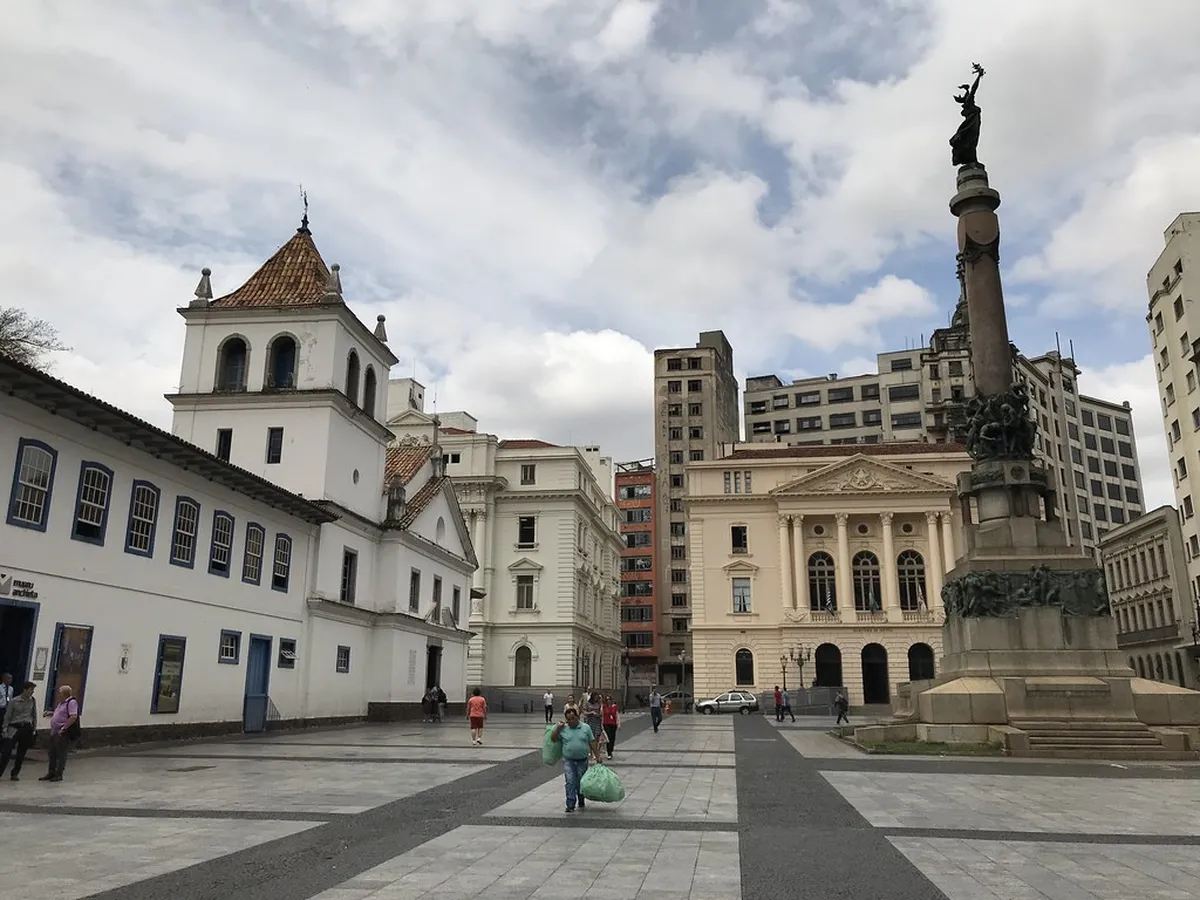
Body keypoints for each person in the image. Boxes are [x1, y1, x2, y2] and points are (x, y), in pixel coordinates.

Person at [551, 706, 601, 813]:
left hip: (582, 760)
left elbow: (592, 742)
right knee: (570, 781)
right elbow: (553, 739)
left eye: (573, 718)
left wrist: (597, 756)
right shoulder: (564, 728)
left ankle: (581, 798)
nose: (571, 721)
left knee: (580, 782)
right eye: (568, 719)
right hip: (569, 760)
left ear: (577, 717)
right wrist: (557, 729)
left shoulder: (586, 728)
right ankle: (570, 804)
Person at [40, 685, 79, 782]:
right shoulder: (61, 703)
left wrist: (64, 728)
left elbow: (73, 716)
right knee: (52, 753)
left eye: (60, 692)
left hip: (63, 732)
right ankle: (51, 772)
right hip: (54, 731)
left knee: (61, 753)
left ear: (65, 693)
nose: (58, 693)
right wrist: (51, 713)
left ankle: (59, 774)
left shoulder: (71, 702)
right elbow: (60, 714)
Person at [0, 680, 37, 781]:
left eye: (33, 691)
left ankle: (15, 773)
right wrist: (4, 728)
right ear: (24, 690)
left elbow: (34, 715)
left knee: (21, 752)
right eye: (30, 690)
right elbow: (7, 716)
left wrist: (34, 728)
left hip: (26, 728)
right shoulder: (14, 701)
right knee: (6, 752)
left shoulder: (32, 700)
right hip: (14, 727)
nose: (32, 692)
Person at [601, 695, 620, 759]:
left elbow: (617, 715)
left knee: (612, 738)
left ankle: (611, 749)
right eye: (607, 700)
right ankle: (609, 752)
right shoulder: (603, 707)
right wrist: (601, 725)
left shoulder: (614, 706)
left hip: (613, 724)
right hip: (606, 723)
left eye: (609, 699)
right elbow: (602, 715)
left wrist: (618, 723)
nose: (608, 701)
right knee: (608, 737)